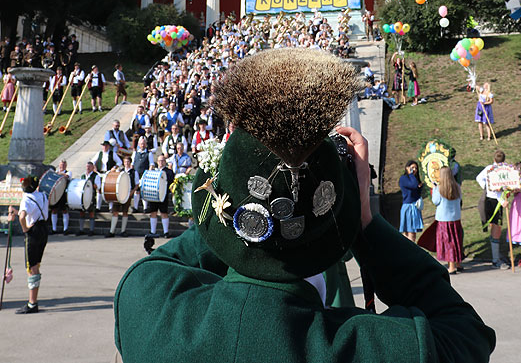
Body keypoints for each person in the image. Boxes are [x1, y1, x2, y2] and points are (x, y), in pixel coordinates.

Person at [114, 49, 495, 363]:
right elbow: (466, 332)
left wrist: (240, 181)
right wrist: (364, 219)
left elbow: (179, 254)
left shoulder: (147, 303)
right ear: (336, 224)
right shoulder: (382, 348)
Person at [7, 175, 49, 314]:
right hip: (43, 229)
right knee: (36, 264)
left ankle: (32, 303)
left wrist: (25, 228)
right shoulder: (42, 195)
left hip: (33, 232)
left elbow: (22, 216)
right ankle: (33, 300)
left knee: (31, 267)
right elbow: (34, 211)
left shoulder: (26, 198)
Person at [476, 149, 510, 269]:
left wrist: (485, 186)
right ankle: (495, 260)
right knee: (496, 229)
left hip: (490, 201)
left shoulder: (490, 168)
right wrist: (502, 201)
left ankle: (496, 255)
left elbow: (478, 178)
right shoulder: (498, 170)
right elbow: (495, 192)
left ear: (494, 159)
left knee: (495, 229)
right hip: (494, 201)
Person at [432, 166, 464, 274]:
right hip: (456, 218)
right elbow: (460, 199)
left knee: (448, 242)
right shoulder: (457, 187)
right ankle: (458, 263)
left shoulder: (439, 188)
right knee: (457, 240)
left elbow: (435, 201)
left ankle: (451, 266)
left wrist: (434, 189)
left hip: (444, 219)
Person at [105, 156, 140, 238]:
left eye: (128, 162)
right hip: (118, 194)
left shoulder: (134, 172)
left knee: (125, 212)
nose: (126, 163)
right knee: (115, 212)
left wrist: (132, 192)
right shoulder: (120, 171)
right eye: (125, 162)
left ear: (130, 162)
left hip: (127, 194)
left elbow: (137, 184)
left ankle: (123, 230)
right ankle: (112, 231)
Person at [147, 154, 175, 239]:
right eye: (159, 161)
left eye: (162, 161)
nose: (161, 162)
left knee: (164, 213)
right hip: (153, 195)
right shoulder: (153, 171)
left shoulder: (169, 172)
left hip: (163, 195)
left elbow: (171, 183)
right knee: (153, 213)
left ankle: (166, 232)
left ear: (165, 162)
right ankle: (153, 231)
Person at [399, 160, 424, 242]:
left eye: (416, 168)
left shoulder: (415, 179)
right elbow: (412, 185)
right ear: (407, 168)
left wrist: (420, 188)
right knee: (407, 233)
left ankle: (410, 250)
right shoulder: (403, 179)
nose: (414, 170)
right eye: (412, 167)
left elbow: (416, 194)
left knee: (412, 233)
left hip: (415, 206)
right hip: (408, 207)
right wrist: (410, 174)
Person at [77, 161, 102, 236]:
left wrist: (90, 184)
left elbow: (98, 186)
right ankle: (81, 229)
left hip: (91, 196)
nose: (87, 168)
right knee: (82, 213)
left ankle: (91, 230)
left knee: (91, 213)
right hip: (83, 197)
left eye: (89, 166)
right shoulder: (83, 176)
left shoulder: (96, 176)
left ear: (93, 167)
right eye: (87, 166)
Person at [50, 159, 72, 235]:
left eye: (64, 165)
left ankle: (65, 229)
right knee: (54, 210)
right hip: (56, 194)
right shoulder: (56, 172)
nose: (62, 166)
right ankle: (54, 229)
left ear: (66, 166)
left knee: (64, 210)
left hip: (63, 194)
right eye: (61, 164)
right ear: (59, 165)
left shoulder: (68, 172)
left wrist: (59, 173)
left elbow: (67, 176)